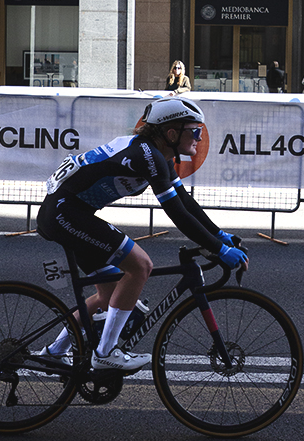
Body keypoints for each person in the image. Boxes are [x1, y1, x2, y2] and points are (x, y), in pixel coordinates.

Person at [36, 97, 247, 375]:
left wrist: (219, 235)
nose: (199, 137)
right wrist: (218, 250)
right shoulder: (148, 156)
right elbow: (177, 215)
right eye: (194, 131)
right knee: (140, 265)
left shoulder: (156, 154)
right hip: (65, 214)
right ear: (171, 134)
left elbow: (186, 203)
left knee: (110, 292)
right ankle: (106, 353)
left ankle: (54, 352)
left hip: (69, 212)